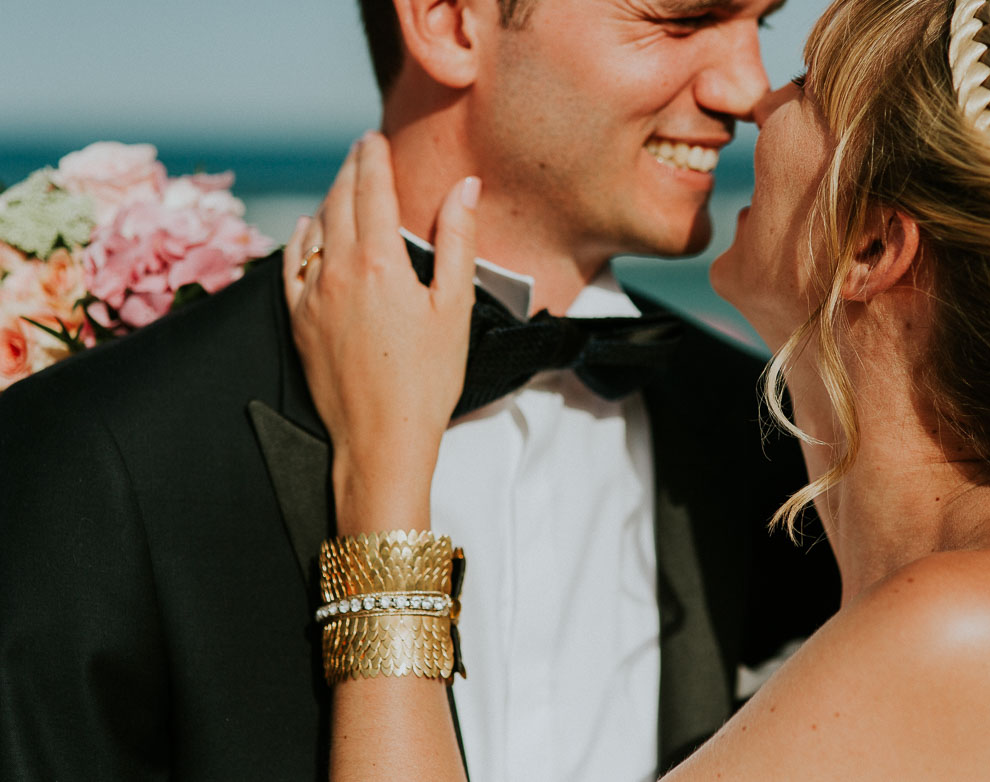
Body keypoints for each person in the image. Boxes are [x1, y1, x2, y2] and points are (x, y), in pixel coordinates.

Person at [284, 0, 990, 778]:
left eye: (806, 82)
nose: (755, 97)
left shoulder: (971, 625)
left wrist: (383, 486)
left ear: (869, 246)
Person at [0, 0, 840, 779]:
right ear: (446, 21)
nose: (745, 89)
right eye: (680, 18)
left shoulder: (781, 444)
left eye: (755, 25)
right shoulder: (95, 452)